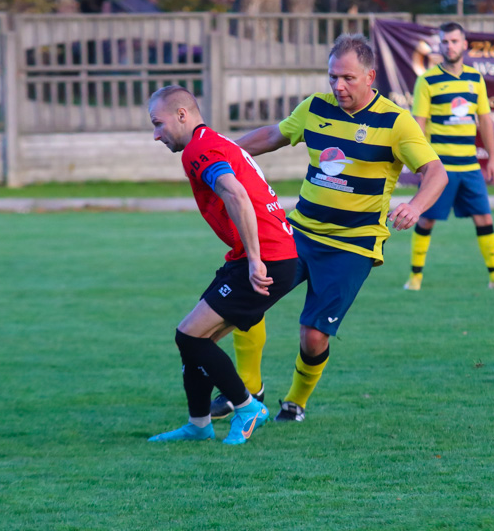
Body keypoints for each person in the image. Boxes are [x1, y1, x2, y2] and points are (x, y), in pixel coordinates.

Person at [212, 33, 448, 422]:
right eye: (332, 77)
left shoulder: (395, 121)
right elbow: (274, 134)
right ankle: (248, 389)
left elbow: (435, 171)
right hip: (299, 232)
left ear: (370, 76)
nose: (338, 86)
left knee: (313, 335)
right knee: (249, 298)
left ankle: (295, 401)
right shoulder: (315, 107)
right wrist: (220, 154)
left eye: (348, 78)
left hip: (351, 246)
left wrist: (417, 205)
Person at [146, 85, 298, 444]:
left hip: (268, 258)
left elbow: (235, 193)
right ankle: (198, 426)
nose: (155, 135)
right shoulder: (214, 141)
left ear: (182, 115)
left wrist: (256, 260)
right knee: (197, 340)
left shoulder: (199, 149)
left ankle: (247, 407)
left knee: (189, 334)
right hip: (263, 255)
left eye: (158, 123)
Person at [403, 21, 494, 292]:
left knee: (484, 218)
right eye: (445, 42)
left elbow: (485, 121)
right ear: (440, 46)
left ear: (464, 44)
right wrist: (421, 165)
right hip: (440, 168)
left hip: (470, 166)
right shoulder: (428, 80)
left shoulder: (474, 79)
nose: (450, 46)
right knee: (426, 218)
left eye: (455, 41)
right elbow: (417, 124)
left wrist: (492, 159)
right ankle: (415, 278)